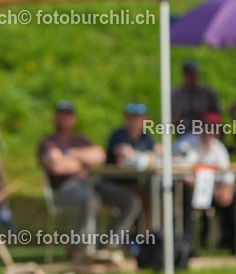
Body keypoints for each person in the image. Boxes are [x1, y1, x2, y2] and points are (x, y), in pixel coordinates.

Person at [38, 100, 140, 254]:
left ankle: (106, 245)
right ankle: (76, 246)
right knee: (90, 199)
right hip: (66, 187)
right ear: (54, 117)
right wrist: (82, 161)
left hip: (92, 183)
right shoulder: (47, 142)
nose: (64, 119)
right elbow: (56, 167)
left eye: (68, 115)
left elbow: (99, 155)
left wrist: (69, 154)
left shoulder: (80, 140)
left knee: (131, 201)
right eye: (61, 115)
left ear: (74, 119)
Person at [174, 112, 235, 250]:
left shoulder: (218, 147)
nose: (209, 131)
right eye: (207, 126)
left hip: (211, 192)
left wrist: (227, 190)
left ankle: (232, 246)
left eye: (213, 128)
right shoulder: (186, 144)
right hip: (189, 191)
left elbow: (228, 177)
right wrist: (211, 190)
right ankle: (187, 247)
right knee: (186, 195)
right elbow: (183, 177)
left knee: (233, 196)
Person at [105, 103, 161, 232]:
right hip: (115, 183)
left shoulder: (147, 138)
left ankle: (149, 236)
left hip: (138, 184)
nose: (135, 121)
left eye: (139, 117)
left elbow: (153, 156)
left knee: (158, 197)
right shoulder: (117, 136)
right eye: (132, 117)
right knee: (133, 201)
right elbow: (121, 153)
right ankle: (112, 240)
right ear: (125, 118)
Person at [171, 59, 221, 132]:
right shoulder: (176, 94)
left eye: (192, 74)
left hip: (205, 133)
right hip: (184, 134)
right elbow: (172, 119)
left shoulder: (208, 93)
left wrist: (202, 117)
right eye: (187, 74)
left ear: (197, 74)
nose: (190, 77)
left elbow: (217, 117)